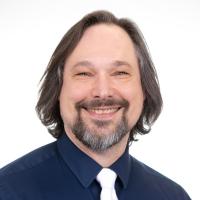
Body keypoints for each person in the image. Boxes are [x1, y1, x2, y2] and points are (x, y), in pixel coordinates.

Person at [0, 10, 191, 200]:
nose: (102, 91)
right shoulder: (7, 191)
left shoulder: (173, 196)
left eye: (120, 73)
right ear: (58, 89)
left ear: (144, 90)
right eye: (84, 73)